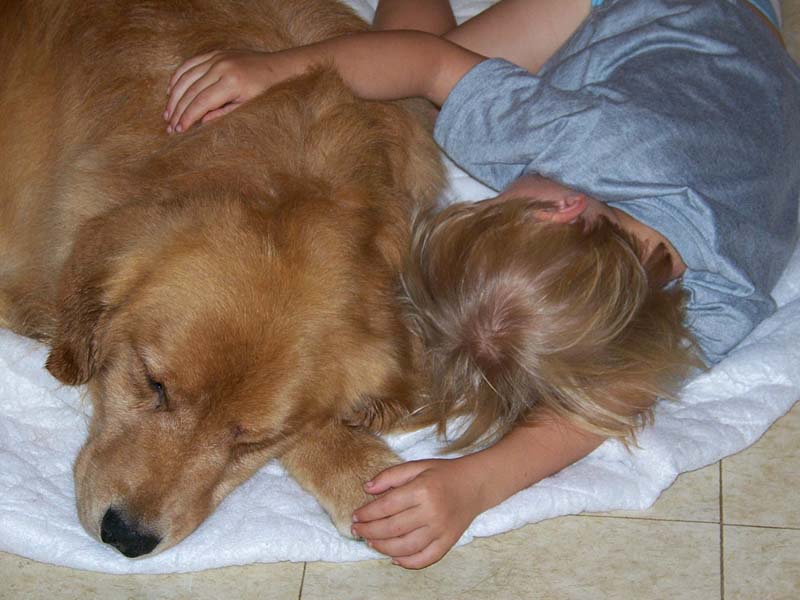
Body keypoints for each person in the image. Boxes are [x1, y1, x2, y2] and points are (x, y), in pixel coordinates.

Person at [164, 0, 800, 569]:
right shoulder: (580, 138)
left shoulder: (724, 294)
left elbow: (612, 397)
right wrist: (281, 69)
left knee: (418, 105)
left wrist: (477, 483)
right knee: (415, 90)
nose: (490, 187)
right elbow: (428, 61)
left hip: (742, 52)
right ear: (562, 210)